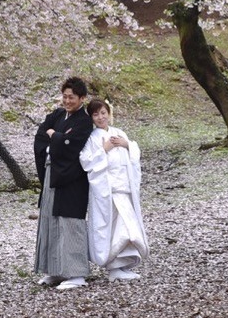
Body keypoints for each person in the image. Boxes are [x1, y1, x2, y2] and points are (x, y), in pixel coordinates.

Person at [33, 76, 94, 290]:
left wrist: (55, 138)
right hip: (53, 174)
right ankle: (55, 270)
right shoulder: (58, 115)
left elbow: (70, 147)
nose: (67, 101)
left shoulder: (84, 121)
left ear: (82, 98)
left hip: (72, 178)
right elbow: (41, 135)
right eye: (65, 97)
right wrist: (55, 138)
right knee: (50, 220)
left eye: (72, 97)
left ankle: (76, 273)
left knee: (70, 223)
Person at [79, 98, 148, 282]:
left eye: (103, 113)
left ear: (108, 113)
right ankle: (113, 267)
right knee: (114, 227)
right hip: (107, 191)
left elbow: (133, 152)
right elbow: (86, 161)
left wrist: (126, 145)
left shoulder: (119, 132)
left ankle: (123, 264)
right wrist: (104, 150)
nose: (100, 117)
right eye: (96, 114)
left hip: (123, 188)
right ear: (91, 118)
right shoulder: (92, 139)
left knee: (128, 226)